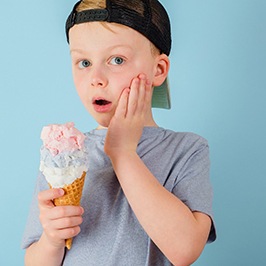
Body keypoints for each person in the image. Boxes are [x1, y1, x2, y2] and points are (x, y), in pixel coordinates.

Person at [22, 0, 216, 265]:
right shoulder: (63, 155)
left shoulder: (187, 149)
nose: (96, 78)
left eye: (116, 59)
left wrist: (122, 152)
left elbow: (185, 250)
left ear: (158, 70)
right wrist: (52, 240)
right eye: (84, 62)